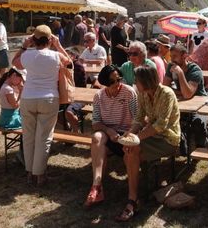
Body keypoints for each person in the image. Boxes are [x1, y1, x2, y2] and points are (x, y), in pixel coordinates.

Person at [116, 65, 180, 222]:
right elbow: (138, 118)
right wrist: (131, 133)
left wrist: (135, 139)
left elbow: (160, 125)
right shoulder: (143, 94)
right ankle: (134, 197)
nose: (135, 82)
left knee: (131, 151)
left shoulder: (167, 93)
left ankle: (133, 198)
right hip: (152, 136)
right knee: (131, 152)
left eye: (137, 80)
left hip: (169, 139)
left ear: (146, 81)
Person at [12, 25, 71, 186]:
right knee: (44, 138)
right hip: (49, 98)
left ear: (34, 40)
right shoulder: (55, 55)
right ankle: (40, 175)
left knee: (29, 136)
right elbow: (70, 62)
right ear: (50, 39)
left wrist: (24, 46)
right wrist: (58, 45)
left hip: (28, 98)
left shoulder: (27, 56)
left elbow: (15, 63)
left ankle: (30, 172)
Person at [84, 65, 138, 208]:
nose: (117, 83)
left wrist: (128, 134)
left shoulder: (129, 92)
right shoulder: (99, 96)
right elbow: (95, 123)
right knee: (96, 137)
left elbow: (137, 119)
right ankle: (97, 185)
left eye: (119, 79)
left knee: (127, 153)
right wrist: (109, 130)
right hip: (109, 134)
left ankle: (132, 195)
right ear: (105, 83)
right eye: (112, 81)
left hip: (127, 134)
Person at [163, 43, 208, 152]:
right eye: (171, 56)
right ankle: (181, 147)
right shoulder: (171, 66)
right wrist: (180, 92)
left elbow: (188, 94)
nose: (172, 59)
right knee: (170, 120)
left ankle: (201, 146)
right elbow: (165, 88)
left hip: (200, 105)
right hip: (183, 103)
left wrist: (180, 73)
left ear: (184, 56)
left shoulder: (195, 70)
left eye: (175, 56)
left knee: (197, 122)